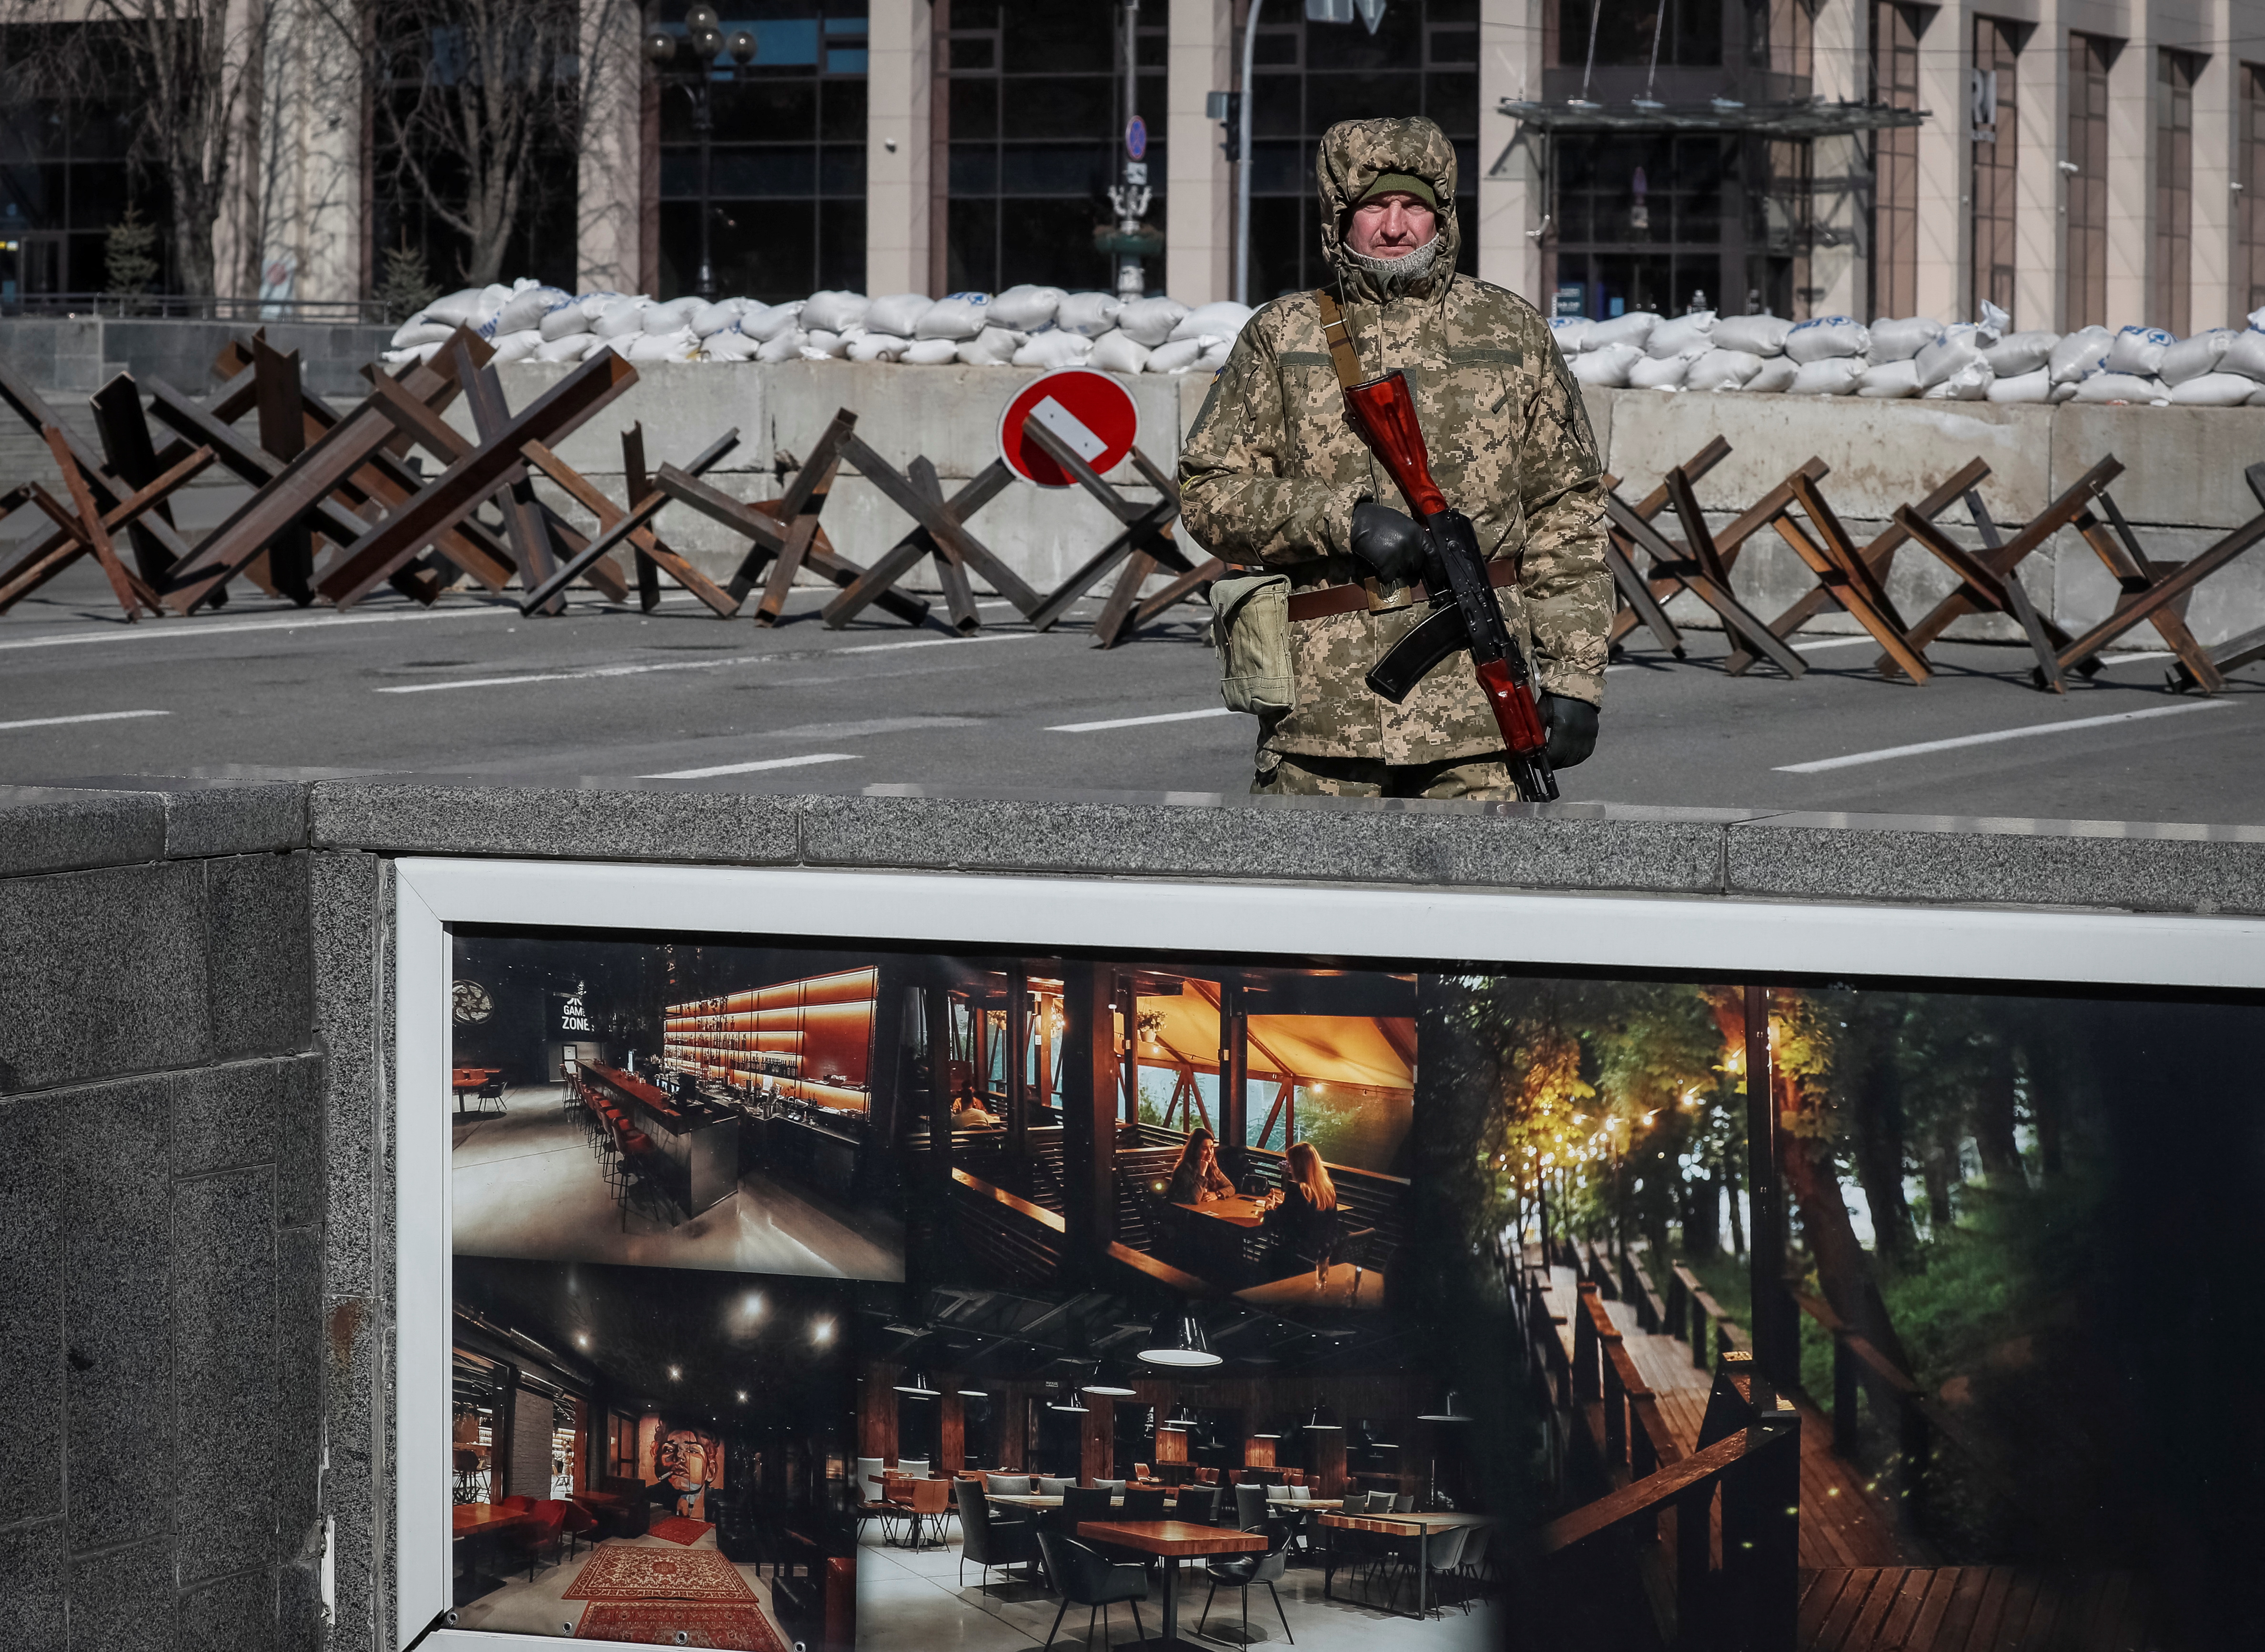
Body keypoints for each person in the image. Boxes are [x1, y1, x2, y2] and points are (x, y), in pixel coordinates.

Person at [1181, 116, 1610, 799]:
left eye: (1414, 205)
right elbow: (1208, 492)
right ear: (1338, 218)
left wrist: (1574, 679)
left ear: (1443, 216)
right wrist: (1341, 520)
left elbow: (1566, 514)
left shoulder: (1509, 331)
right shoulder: (1283, 335)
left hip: (1477, 720)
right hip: (1321, 722)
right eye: (1373, 206)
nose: (1394, 227)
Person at [1263, 1141, 1341, 1283]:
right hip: (1321, 1256)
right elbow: (1308, 1212)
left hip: (1298, 1259)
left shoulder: (1299, 1190)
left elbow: (1275, 1225)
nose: (1289, 1169)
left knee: (1265, 1258)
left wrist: (1269, 1207)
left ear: (1298, 1167)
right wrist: (1284, 1205)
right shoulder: (1327, 1188)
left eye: (1291, 1164)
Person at [1165, 1128, 1238, 1204]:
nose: (1210, 1153)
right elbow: (1194, 1199)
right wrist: (1202, 1173)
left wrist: (1217, 1194)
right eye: (1205, 1149)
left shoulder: (1212, 1167)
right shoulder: (1184, 1169)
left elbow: (1231, 1188)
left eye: (1212, 1148)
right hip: (1181, 1210)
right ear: (1195, 1150)